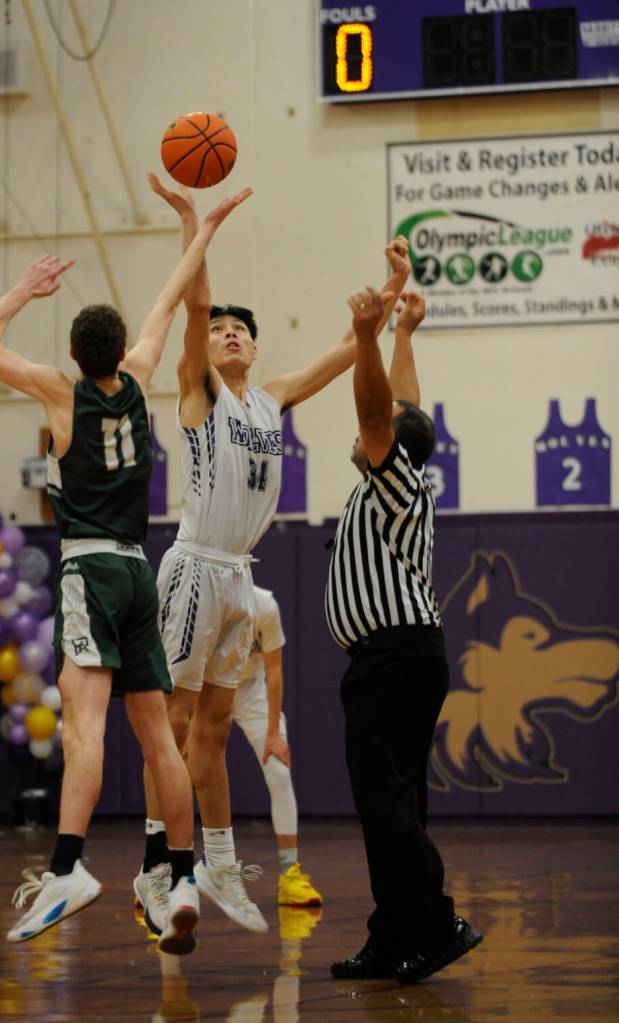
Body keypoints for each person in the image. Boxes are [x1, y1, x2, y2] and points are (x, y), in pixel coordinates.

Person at [0, 180, 251, 955]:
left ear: (74, 356)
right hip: (140, 571)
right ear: (121, 351)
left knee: (85, 728)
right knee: (159, 736)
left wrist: (22, 289)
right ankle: (180, 875)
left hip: (88, 567)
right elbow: (171, 296)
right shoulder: (142, 371)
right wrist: (202, 228)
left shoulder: (61, 391)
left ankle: (68, 865)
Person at [136, 173, 412, 936]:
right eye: (220, 328)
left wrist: (391, 286)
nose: (227, 332)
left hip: (237, 579)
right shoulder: (201, 393)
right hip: (194, 565)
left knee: (219, 730)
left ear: (255, 348)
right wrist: (198, 226)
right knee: (175, 720)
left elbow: (343, 350)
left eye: (238, 330)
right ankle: (161, 865)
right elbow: (194, 305)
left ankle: (219, 860)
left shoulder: (271, 396)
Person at [325, 287, 483, 983]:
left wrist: (366, 336)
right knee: (393, 802)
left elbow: (377, 409)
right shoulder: (402, 478)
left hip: (393, 656)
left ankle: (436, 922)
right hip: (400, 656)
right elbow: (403, 408)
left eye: (381, 427)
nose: (370, 427)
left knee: (385, 804)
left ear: (385, 443)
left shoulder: (391, 481)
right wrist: (405, 335)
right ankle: (392, 938)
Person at [232, 586, 321, 907]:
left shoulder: (264, 604)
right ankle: (160, 870)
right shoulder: (207, 600)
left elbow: (274, 670)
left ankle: (289, 872)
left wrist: (273, 733)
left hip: (251, 689)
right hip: (208, 688)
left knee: (279, 772)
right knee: (180, 769)